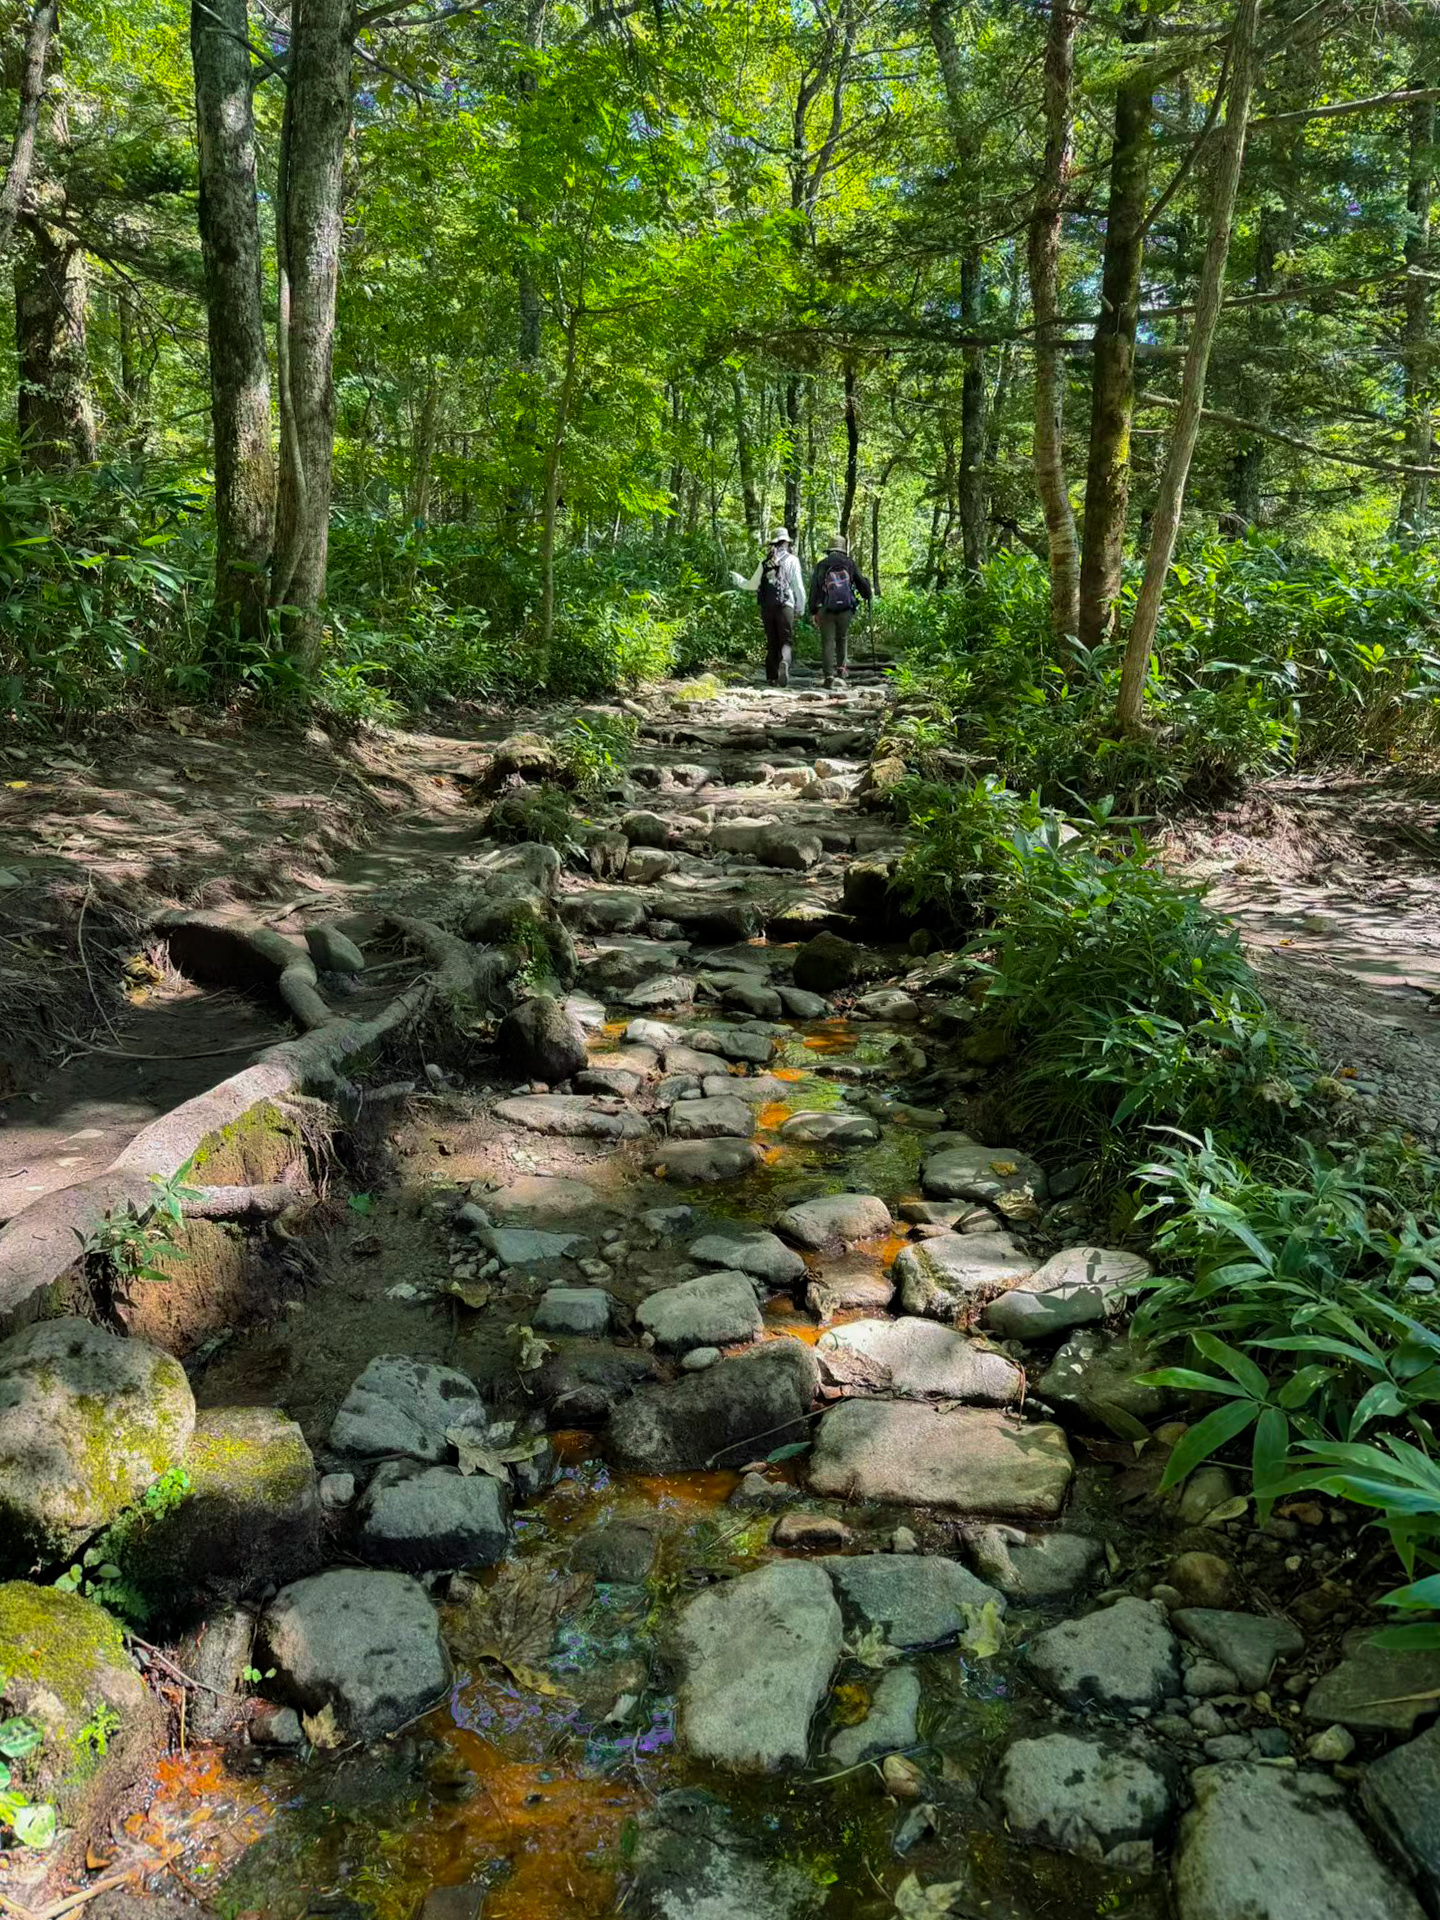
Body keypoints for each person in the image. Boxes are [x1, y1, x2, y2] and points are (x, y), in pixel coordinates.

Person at [744, 526, 807, 688]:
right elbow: (798, 586)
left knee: (772, 641)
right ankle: (784, 662)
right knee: (786, 641)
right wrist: (801, 607)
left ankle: (771, 677)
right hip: (786, 605)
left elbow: (753, 585)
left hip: (767, 606)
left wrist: (739, 581)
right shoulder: (792, 560)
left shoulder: (765, 562)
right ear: (786, 542)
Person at [807, 535, 873, 688]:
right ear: (843, 549)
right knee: (842, 638)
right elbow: (860, 582)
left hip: (825, 607)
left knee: (827, 641)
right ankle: (841, 670)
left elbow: (815, 589)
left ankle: (828, 675)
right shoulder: (849, 563)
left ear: (830, 549)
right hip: (845, 608)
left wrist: (813, 610)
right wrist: (867, 593)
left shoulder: (822, 564)